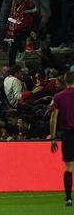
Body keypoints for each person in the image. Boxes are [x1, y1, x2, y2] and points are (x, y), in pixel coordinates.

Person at [50, 71, 74, 207]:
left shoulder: (59, 96)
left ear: (65, 80)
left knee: (69, 166)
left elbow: (53, 117)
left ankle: (69, 198)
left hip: (68, 134)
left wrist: (53, 138)